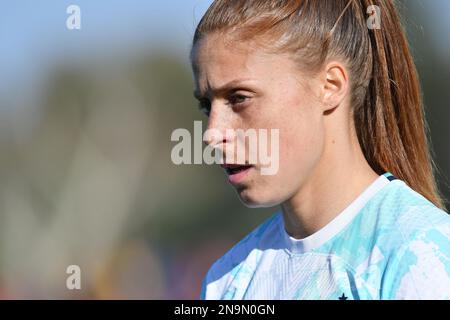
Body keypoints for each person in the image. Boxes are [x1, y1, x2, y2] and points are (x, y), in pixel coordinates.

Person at [190, 0, 450, 299]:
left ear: (330, 85)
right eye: (207, 104)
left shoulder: (421, 258)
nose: (212, 133)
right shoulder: (228, 278)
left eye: (238, 98)